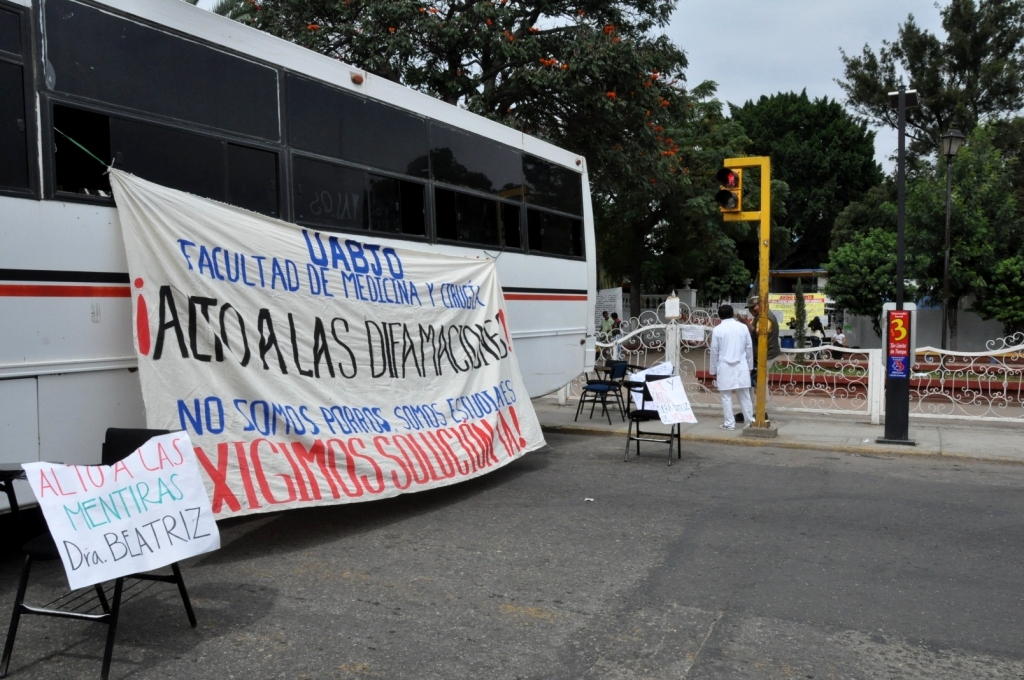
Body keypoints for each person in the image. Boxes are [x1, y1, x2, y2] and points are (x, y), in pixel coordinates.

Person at [709, 304, 754, 430]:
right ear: (732, 313)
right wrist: (750, 366)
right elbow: (749, 348)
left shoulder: (718, 330)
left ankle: (729, 423)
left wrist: (713, 369)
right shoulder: (743, 327)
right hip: (741, 365)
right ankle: (750, 421)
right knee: (745, 395)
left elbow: (714, 351)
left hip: (724, 366)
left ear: (719, 316)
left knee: (726, 396)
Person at [741, 295, 780, 422]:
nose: (752, 310)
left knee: (761, 383)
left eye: (754, 307)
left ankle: (762, 412)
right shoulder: (760, 317)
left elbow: (760, 334)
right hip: (760, 355)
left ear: (762, 305)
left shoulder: (766, 317)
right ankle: (751, 410)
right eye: (750, 308)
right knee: (755, 383)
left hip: (765, 356)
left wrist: (745, 322)